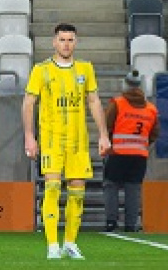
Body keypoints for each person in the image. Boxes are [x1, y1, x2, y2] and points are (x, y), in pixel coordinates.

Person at [22, 23, 111, 261]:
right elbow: (29, 103)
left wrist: (103, 134)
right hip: (51, 139)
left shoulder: (85, 69)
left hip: (78, 141)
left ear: (76, 42)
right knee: (52, 188)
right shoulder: (41, 70)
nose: (66, 44)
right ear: (54, 42)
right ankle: (52, 244)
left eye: (70, 40)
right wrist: (30, 136)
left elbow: (93, 101)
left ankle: (70, 243)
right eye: (62, 40)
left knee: (77, 192)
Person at [103, 69, 159, 233]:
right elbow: (154, 133)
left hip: (117, 153)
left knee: (111, 186)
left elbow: (106, 126)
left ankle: (111, 222)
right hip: (139, 156)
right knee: (133, 189)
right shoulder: (151, 109)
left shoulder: (118, 103)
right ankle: (131, 224)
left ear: (126, 85)